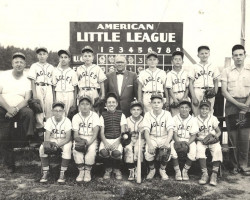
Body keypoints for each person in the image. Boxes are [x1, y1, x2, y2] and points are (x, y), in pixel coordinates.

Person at [0, 52, 34, 173]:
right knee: (4, 136)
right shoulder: (3, 76)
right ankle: (10, 164)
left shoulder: (27, 78)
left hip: (19, 108)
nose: (19, 64)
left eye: (21, 62)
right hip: (3, 107)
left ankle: (28, 139)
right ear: (12, 63)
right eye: (16, 62)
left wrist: (15, 109)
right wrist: (8, 108)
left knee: (29, 113)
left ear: (25, 64)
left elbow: (26, 99)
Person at [221, 44, 250, 176]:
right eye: (235, 55)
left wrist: (246, 106)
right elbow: (224, 91)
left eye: (240, 54)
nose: (238, 57)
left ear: (245, 55)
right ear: (232, 56)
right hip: (232, 104)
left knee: (244, 136)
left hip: (246, 104)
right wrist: (238, 104)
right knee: (232, 136)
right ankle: (234, 166)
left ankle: (243, 165)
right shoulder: (226, 71)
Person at [143, 94, 174, 180]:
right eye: (154, 102)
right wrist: (150, 144)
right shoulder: (147, 115)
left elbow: (170, 130)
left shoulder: (167, 114)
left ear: (162, 104)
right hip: (152, 137)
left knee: (166, 152)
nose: (156, 104)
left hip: (164, 137)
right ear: (151, 104)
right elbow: (146, 131)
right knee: (148, 153)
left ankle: (162, 170)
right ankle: (152, 169)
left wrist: (166, 143)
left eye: (158, 102)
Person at [39, 101, 72, 183]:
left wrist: (58, 145)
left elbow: (68, 138)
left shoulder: (67, 120)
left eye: (60, 110)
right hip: (52, 140)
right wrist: (49, 144)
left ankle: (63, 172)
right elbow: (46, 138)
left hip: (64, 141)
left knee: (67, 148)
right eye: (56, 110)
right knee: (42, 148)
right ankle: (45, 171)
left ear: (63, 112)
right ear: (52, 111)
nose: (58, 113)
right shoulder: (49, 120)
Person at [193, 100, 222, 186]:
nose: (204, 110)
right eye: (202, 108)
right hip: (201, 139)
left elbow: (219, 132)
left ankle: (214, 173)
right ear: (199, 109)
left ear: (209, 110)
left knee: (218, 149)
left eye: (206, 109)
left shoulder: (213, 118)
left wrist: (215, 137)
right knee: (199, 149)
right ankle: (205, 173)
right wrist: (200, 139)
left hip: (212, 139)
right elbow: (194, 134)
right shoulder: (195, 119)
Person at [99, 92, 127, 180]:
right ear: (106, 104)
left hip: (117, 139)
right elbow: (101, 132)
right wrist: (105, 142)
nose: (111, 104)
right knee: (104, 152)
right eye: (109, 102)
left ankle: (117, 169)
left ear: (117, 104)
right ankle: (108, 169)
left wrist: (118, 141)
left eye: (113, 102)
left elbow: (123, 132)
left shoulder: (121, 114)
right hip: (106, 139)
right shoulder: (103, 115)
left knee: (116, 153)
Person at [72, 95, 100, 182]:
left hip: (91, 137)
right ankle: (81, 171)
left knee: (91, 151)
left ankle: (87, 171)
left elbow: (95, 132)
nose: (84, 106)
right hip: (80, 138)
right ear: (79, 105)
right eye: (82, 104)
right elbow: (75, 134)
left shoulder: (95, 115)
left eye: (87, 104)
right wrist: (80, 141)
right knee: (76, 150)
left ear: (91, 106)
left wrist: (89, 142)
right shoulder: (76, 117)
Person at [28, 47, 54, 135]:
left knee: (49, 108)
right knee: (39, 109)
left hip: (49, 87)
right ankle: (39, 131)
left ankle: (49, 131)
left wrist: (53, 95)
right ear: (37, 56)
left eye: (44, 54)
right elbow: (32, 81)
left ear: (47, 55)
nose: (42, 56)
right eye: (40, 54)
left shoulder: (51, 67)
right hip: (38, 87)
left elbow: (53, 83)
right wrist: (34, 95)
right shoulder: (34, 66)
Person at [188, 46, 220, 116]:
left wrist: (215, 92)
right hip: (198, 90)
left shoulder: (213, 66)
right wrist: (193, 97)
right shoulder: (194, 67)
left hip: (210, 91)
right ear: (198, 55)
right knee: (196, 112)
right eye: (202, 53)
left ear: (209, 54)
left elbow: (216, 81)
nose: (204, 55)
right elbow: (190, 83)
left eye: (206, 53)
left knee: (209, 112)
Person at [170, 100, 196, 181]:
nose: (184, 109)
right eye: (182, 107)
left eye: (186, 107)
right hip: (177, 139)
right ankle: (177, 171)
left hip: (188, 140)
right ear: (178, 109)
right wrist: (178, 142)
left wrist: (187, 143)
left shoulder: (193, 119)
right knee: (172, 150)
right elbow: (174, 133)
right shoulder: (174, 118)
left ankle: (185, 170)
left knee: (193, 150)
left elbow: (194, 135)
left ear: (190, 109)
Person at [52, 50, 78, 116]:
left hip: (69, 94)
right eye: (61, 57)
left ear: (69, 59)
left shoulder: (72, 72)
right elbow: (53, 87)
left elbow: (75, 88)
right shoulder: (55, 71)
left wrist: (75, 102)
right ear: (59, 59)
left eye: (65, 57)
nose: (63, 59)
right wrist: (54, 99)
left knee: (69, 115)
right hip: (59, 93)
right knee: (59, 114)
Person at [124, 100, 144, 181]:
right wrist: (128, 132)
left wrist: (141, 131)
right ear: (130, 111)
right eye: (134, 109)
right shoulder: (127, 119)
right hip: (130, 139)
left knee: (137, 149)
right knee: (128, 149)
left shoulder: (144, 119)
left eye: (138, 109)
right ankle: (131, 170)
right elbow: (125, 134)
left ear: (141, 111)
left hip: (141, 139)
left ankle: (137, 169)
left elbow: (146, 133)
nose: (136, 111)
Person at [166, 51, 189, 116]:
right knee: (175, 116)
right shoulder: (169, 74)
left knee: (185, 115)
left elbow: (187, 87)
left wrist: (184, 98)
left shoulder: (186, 73)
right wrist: (175, 99)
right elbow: (169, 88)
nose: (177, 61)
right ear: (172, 62)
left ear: (182, 62)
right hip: (174, 96)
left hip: (184, 94)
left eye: (179, 59)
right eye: (175, 59)